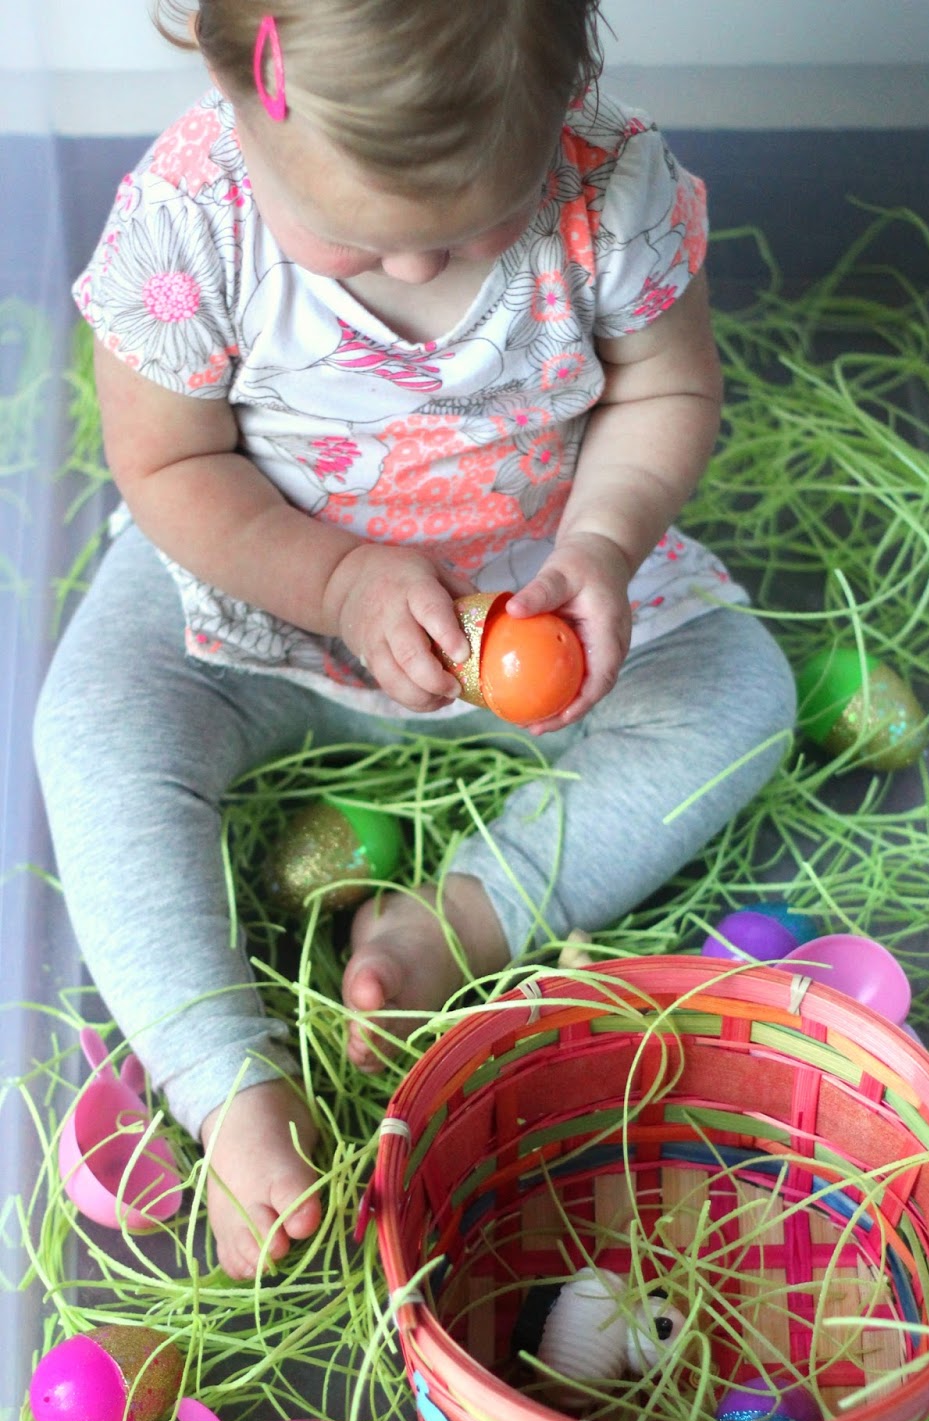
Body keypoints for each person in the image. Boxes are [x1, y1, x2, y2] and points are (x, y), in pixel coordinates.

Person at [34, 0, 796, 1279]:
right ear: (239, 96)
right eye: (346, 237)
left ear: (558, 116)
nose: (410, 271)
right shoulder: (187, 221)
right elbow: (168, 463)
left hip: (527, 586)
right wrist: (331, 581)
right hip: (255, 594)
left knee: (743, 698)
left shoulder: (613, 188)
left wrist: (601, 546)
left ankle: (463, 919)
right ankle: (227, 1085)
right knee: (94, 733)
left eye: (463, 231)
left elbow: (666, 387)